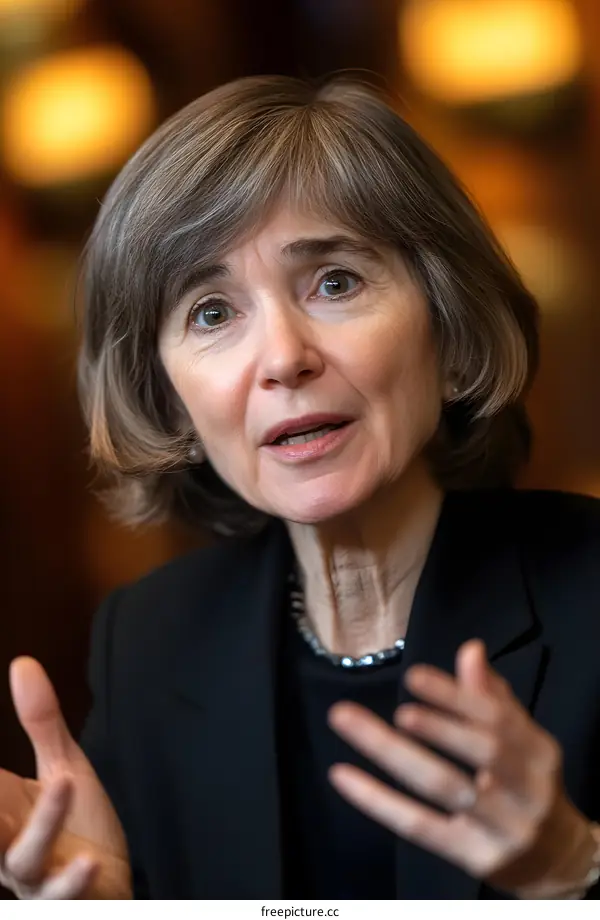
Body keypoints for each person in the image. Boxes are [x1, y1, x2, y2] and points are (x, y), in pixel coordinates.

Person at [1, 74, 600, 901]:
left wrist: (577, 872)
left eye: (335, 282)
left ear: (450, 327)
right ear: (167, 392)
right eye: (212, 312)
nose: (284, 357)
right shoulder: (148, 643)